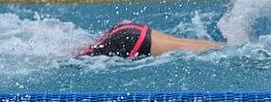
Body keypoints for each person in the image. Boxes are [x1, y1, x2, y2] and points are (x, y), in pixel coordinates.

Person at [77, 21, 224, 59]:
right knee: (185, 44)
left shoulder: (78, 60)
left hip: (129, 41)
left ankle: (238, 49)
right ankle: (236, 47)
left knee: (184, 47)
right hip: (124, 31)